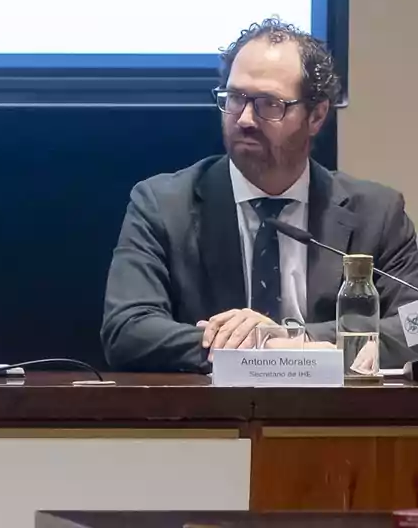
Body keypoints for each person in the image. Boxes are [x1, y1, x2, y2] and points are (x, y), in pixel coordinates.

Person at [101, 18, 418, 372]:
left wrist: (297, 343)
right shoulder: (162, 205)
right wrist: (251, 345)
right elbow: (127, 330)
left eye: (269, 104)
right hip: (214, 421)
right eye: (235, 98)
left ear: (316, 116)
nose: (246, 119)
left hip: (335, 422)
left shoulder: (377, 213)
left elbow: (414, 327)